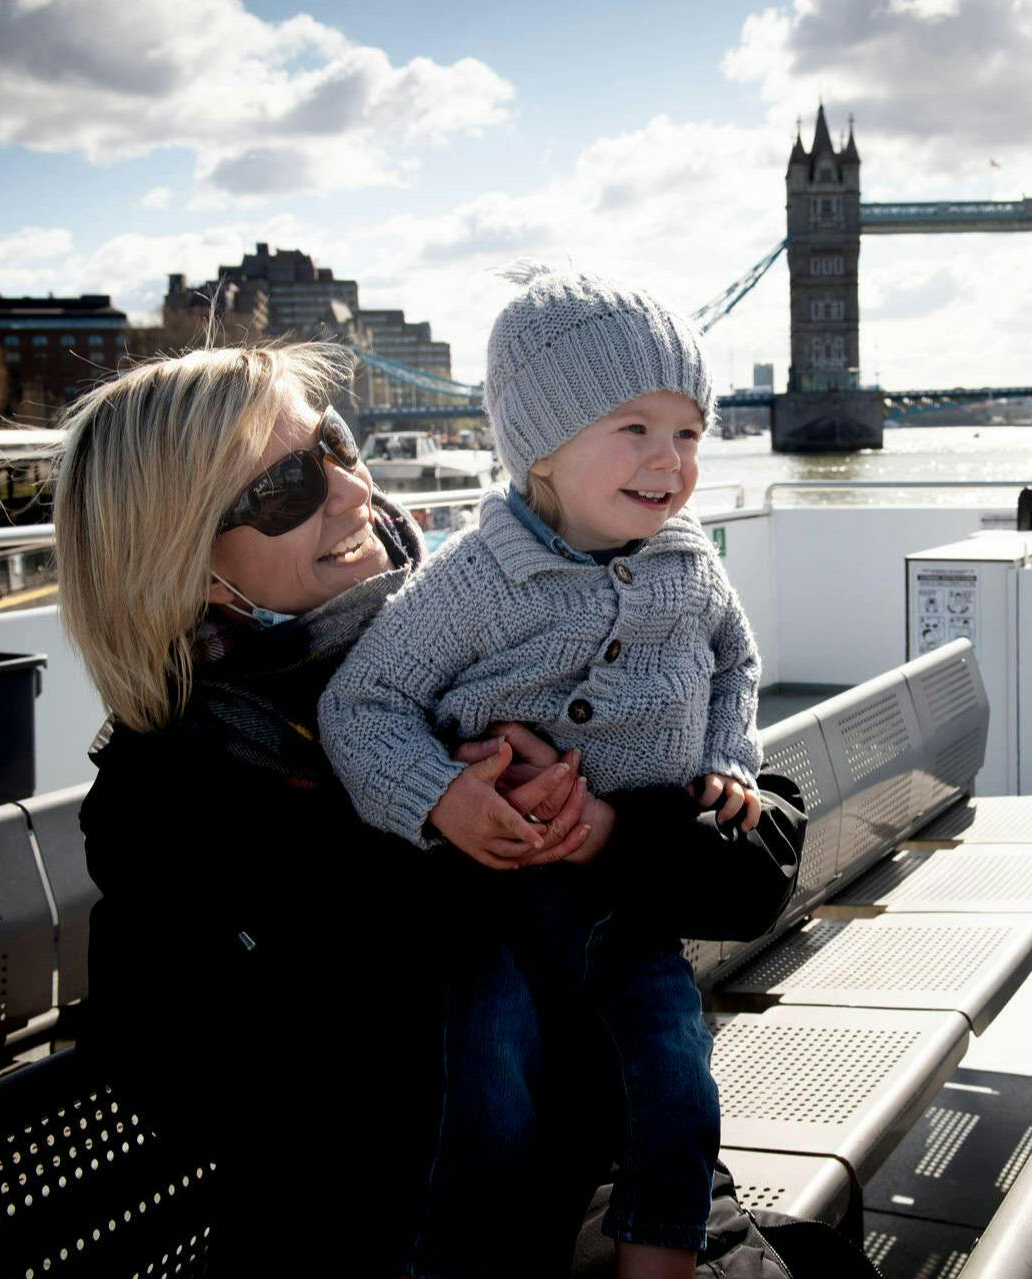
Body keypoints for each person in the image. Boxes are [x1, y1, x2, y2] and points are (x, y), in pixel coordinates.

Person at [50, 342, 797, 1276]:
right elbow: (190, 1073)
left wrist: (599, 831)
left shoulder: (514, 604)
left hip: (629, 1188)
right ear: (187, 562)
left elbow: (759, 866)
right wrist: (448, 834)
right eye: (285, 487)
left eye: (334, 445)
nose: (352, 493)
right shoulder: (171, 793)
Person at [319, 264, 759, 1279]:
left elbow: (739, 662)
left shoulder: (691, 565)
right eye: (633, 428)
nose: (669, 460)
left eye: (688, 432)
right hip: (497, 904)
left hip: (631, 897)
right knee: (492, 1104)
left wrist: (733, 755)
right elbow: (364, 702)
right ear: (542, 448)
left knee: (680, 1090)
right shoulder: (473, 581)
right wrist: (440, 794)